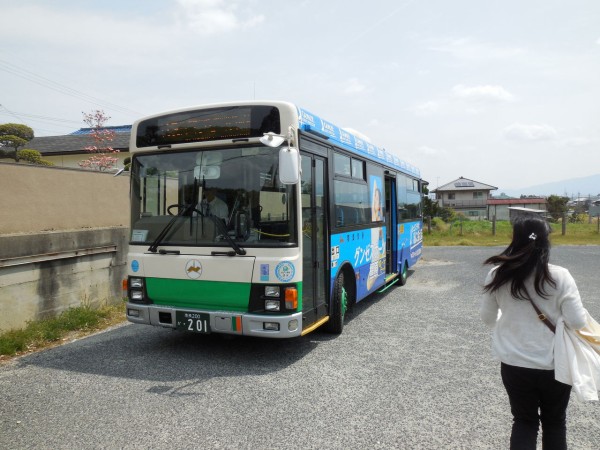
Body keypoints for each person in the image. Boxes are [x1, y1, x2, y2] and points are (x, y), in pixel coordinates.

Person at [480, 216, 587, 450]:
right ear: (546, 241)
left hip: (514, 364)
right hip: (556, 365)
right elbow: (578, 321)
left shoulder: (498, 274)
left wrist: (507, 320)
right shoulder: (560, 276)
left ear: (515, 239)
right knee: (555, 423)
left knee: (524, 421)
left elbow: (488, 318)